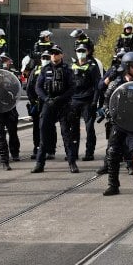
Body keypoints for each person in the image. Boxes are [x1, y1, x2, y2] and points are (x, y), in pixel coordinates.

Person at [101, 51, 133, 197]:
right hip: (119, 123)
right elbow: (106, 103)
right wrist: (109, 114)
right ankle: (113, 185)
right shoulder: (116, 83)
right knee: (112, 152)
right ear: (126, 67)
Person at [33, 46, 76, 174]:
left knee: (66, 135)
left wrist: (60, 98)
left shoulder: (67, 70)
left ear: (61, 55)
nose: (54, 56)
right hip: (48, 104)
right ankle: (39, 164)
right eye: (52, 54)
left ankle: (72, 163)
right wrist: (46, 99)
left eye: (56, 53)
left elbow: (72, 88)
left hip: (63, 104)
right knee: (43, 133)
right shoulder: (45, 69)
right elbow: (38, 88)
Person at [67, 44, 102, 163]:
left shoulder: (92, 66)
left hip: (88, 100)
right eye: (79, 50)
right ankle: (73, 153)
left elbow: (98, 85)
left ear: (87, 52)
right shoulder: (72, 66)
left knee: (89, 128)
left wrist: (95, 101)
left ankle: (89, 152)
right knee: (73, 128)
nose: (81, 52)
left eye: (83, 50)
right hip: (74, 100)